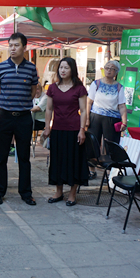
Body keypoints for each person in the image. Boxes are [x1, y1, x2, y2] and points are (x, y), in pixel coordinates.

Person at [0, 33, 40, 206]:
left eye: (16, 45)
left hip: (24, 118)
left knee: (24, 157)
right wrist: (7, 103)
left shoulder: (31, 68)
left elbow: (33, 91)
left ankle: (26, 193)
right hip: (4, 116)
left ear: (24, 47)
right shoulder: (0, 67)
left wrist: (22, 103)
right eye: (10, 45)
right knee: (1, 157)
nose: (12, 48)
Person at [42, 57, 88, 206]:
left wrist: (82, 130)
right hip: (57, 130)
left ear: (72, 70)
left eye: (66, 68)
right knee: (57, 161)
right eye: (61, 67)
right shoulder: (52, 88)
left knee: (74, 161)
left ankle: (72, 194)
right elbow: (49, 109)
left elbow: (83, 110)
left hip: (74, 130)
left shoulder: (79, 88)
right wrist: (47, 127)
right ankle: (58, 191)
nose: (63, 70)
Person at [85, 60, 127, 172]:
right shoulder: (96, 84)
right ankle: (91, 170)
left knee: (111, 146)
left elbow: (122, 106)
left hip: (112, 119)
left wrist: (124, 122)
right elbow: (88, 102)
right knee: (92, 143)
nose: (109, 70)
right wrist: (87, 118)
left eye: (112, 69)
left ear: (116, 72)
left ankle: (109, 173)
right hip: (95, 117)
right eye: (107, 68)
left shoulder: (119, 87)